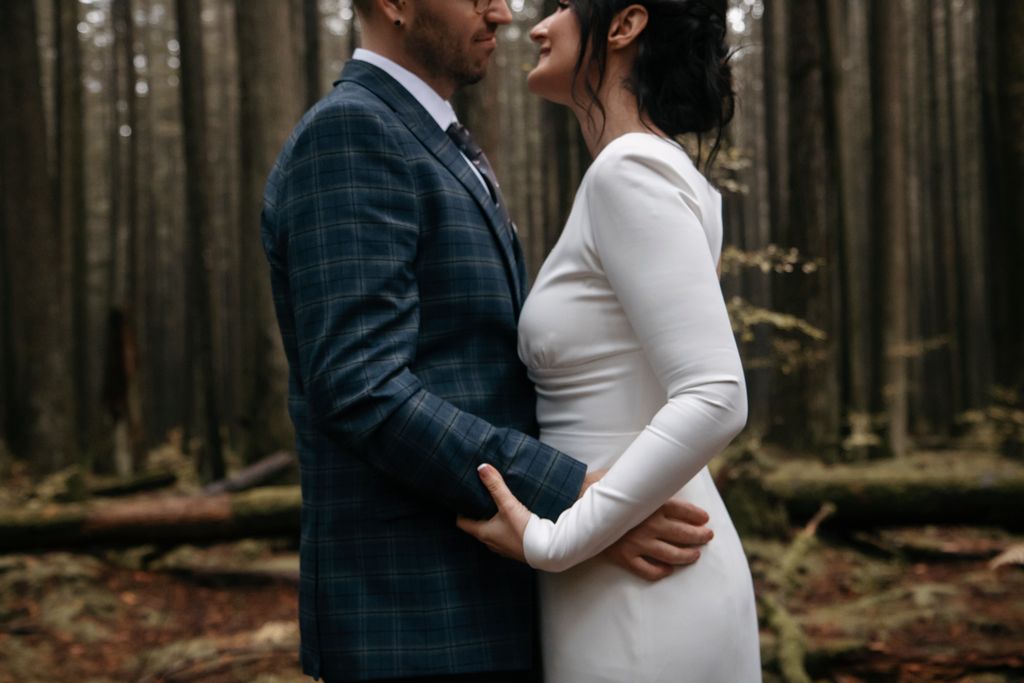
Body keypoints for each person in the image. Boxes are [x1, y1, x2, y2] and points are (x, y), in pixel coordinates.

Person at [261, 0, 718, 681]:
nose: (504, 12)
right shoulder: (353, 133)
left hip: (491, 595)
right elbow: (361, 386)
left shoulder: (429, 137)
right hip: (414, 617)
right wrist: (575, 498)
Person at [457, 0, 762, 681]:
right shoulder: (646, 169)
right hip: (627, 567)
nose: (537, 26)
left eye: (563, 6)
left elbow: (717, 392)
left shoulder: (629, 171)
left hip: (642, 586)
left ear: (624, 25)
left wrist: (556, 537)